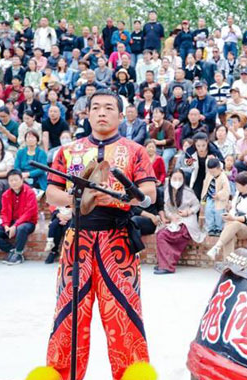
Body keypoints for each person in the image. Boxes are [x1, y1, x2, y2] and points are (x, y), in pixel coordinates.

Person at [44, 89, 156, 378]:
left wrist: (118, 198)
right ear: (88, 113)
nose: (102, 112)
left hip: (117, 241)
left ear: (121, 116)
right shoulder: (68, 151)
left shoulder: (135, 151)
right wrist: (78, 200)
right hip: (77, 239)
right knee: (69, 314)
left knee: (124, 315)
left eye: (109, 108)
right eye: (96, 108)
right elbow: (52, 193)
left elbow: (149, 193)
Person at [156, 170, 205, 274]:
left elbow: (197, 205)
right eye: (175, 179)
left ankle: (168, 266)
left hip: (186, 221)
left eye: (180, 179)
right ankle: (164, 263)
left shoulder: (188, 192)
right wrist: (171, 216)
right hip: (174, 221)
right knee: (160, 234)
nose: (177, 181)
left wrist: (188, 212)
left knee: (174, 235)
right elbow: (165, 207)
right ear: (170, 179)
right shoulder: (166, 191)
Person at [0, 169, 37, 265]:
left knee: (21, 228)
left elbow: (29, 212)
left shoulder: (30, 192)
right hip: (11, 222)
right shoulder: (6, 195)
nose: (13, 182)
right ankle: (12, 250)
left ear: (22, 180)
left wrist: (15, 225)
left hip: (27, 222)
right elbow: (4, 213)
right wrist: (6, 226)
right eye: (11, 180)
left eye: (16, 180)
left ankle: (19, 253)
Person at [206, 171, 247, 260]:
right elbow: (233, 208)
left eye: (238, 185)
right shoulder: (238, 193)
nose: (236, 187)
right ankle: (228, 265)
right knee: (230, 237)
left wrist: (233, 218)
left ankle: (216, 247)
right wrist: (229, 212)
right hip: (233, 225)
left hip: (246, 228)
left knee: (235, 224)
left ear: (245, 185)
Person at [202, 158, 230, 236]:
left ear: (219, 168)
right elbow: (205, 187)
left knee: (219, 213)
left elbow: (226, 190)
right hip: (210, 198)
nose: (212, 173)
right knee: (208, 212)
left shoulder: (223, 177)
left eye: (213, 172)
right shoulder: (209, 175)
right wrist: (203, 199)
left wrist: (219, 195)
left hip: (219, 200)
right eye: (210, 171)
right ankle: (210, 228)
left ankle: (219, 228)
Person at [148, 107, 175, 171]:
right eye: (154, 113)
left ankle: (163, 177)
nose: (155, 115)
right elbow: (151, 138)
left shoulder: (168, 125)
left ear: (163, 115)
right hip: (157, 148)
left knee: (164, 158)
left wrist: (159, 142)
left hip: (169, 147)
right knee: (151, 157)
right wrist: (156, 127)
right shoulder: (151, 126)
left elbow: (171, 140)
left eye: (157, 113)